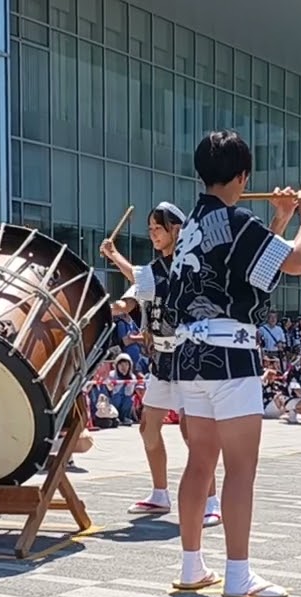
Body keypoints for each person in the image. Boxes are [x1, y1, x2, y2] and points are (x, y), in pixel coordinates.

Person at [163, 130, 301, 597]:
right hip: (231, 355)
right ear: (242, 175)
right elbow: (293, 263)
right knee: (240, 468)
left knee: (199, 464)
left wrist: (280, 218)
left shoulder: (190, 226)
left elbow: (253, 268)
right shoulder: (237, 220)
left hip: (190, 356)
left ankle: (192, 566)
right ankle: (237, 574)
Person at [100, 202, 222, 526]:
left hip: (191, 360)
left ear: (176, 230)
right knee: (148, 427)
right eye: (151, 229)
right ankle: (159, 494)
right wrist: (103, 307)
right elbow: (128, 301)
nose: (153, 233)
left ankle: (211, 500)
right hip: (161, 361)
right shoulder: (151, 272)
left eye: (158, 228)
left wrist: (113, 255)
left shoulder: (190, 266)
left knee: (190, 431)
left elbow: (141, 278)